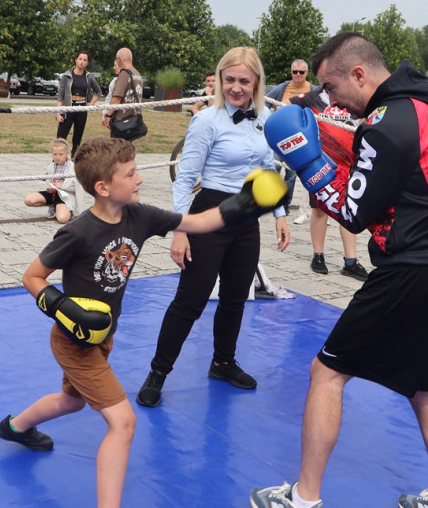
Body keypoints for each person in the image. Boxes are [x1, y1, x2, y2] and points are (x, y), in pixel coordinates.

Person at [0, 136, 285, 508]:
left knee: (71, 402)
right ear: (102, 187)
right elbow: (32, 276)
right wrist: (61, 306)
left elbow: (199, 223)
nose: (139, 178)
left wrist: (244, 204)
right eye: (130, 173)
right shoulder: (76, 231)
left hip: (103, 338)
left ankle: (15, 427)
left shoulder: (140, 216)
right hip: (74, 341)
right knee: (123, 422)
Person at [252, 32, 428, 508]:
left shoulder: (385, 123)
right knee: (427, 388)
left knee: (327, 371)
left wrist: (309, 163)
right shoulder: (424, 105)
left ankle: (303, 501)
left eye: (331, 85)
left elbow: (353, 212)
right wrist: (333, 145)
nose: (328, 98)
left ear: (358, 74)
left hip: (412, 270)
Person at [136, 46, 290, 408]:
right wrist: (179, 228)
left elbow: (269, 171)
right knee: (190, 300)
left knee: (236, 298)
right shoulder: (207, 120)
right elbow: (185, 176)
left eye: (244, 81)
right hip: (208, 214)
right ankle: (158, 372)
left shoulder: (266, 118)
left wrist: (280, 214)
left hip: (247, 216)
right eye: (230, 79)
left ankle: (223, 362)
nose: (236, 87)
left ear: (257, 83)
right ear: (220, 80)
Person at [289, 85, 369, 281]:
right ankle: (318, 255)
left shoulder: (353, 96)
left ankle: (351, 261)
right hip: (320, 165)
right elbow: (286, 109)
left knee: (350, 211)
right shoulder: (310, 97)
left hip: (350, 163)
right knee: (319, 210)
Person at [267, 59, 315, 213]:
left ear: (307, 73)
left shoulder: (313, 89)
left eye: (302, 72)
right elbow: (266, 101)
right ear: (291, 72)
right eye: (295, 72)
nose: (298, 75)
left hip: (300, 138)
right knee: (273, 167)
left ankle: (285, 204)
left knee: (291, 173)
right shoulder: (283, 88)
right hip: (279, 135)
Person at [56, 51, 103, 157]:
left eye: (85, 60)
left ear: (87, 63)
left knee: (77, 139)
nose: (82, 62)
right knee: (60, 138)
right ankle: (57, 162)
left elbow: (98, 92)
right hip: (68, 110)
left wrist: (91, 103)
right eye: (80, 59)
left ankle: (74, 162)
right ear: (76, 60)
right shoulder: (66, 76)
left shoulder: (89, 77)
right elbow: (61, 96)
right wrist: (58, 113)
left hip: (81, 110)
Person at [24, 138, 76, 224]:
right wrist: (49, 187)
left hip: (65, 195)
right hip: (53, 193)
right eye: (54, 154)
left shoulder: (72, 167)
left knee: (62, 219)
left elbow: (77, 186)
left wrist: (62, 186)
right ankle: (53, 205)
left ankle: (68, 210)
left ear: (67, 153)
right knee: (28, 200)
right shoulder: (51, 166)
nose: (57, 157)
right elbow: (48, 181)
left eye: (61, 154)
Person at [101, 48, 143, 136]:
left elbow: (117, 98)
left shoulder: (124, 73)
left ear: (118, 59)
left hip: (122, 122)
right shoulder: (137, 74)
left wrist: (108, 115)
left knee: (117, 148)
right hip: (133, 119)